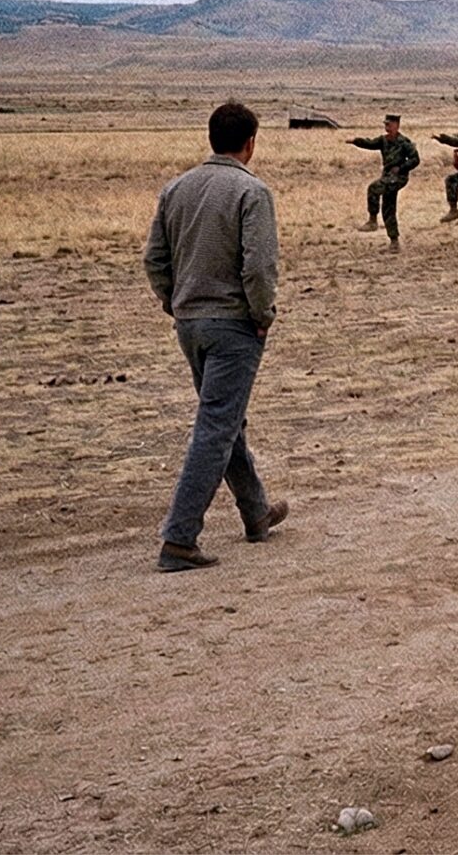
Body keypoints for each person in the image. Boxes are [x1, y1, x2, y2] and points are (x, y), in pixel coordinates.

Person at [143, 101, 287, 572]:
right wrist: (262, 314)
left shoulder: (176, 188)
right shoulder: (252, 191)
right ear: (250, 143)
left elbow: (154, 259)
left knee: (224, 419)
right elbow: (259, 267)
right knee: (216, 426)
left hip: (190, 324)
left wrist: (175, 302)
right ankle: (179, 538)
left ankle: (256, 512)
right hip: (233, 325)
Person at [350, 114, 420, 251]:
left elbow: (415, 159)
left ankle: (372, 220)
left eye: (389, 125)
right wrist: (356, 141)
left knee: (373, 188)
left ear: (397, 125)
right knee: (388, 208)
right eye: (385, 125)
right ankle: (394, 242)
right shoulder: (383, 140)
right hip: (387, 177)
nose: (387, 127)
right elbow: (370, 143)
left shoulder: (404, 142)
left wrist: (401, 168)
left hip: (398, 177)